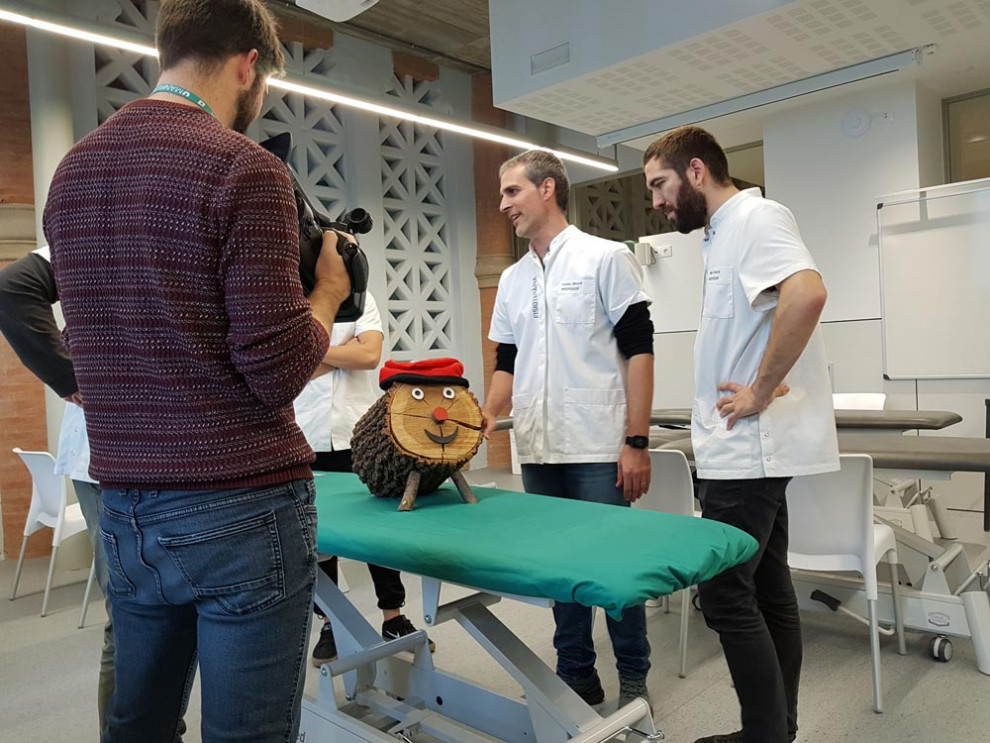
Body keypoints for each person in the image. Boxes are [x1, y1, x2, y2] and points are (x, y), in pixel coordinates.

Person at [42, 1, 352, 741]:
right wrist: (327, 297)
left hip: (125, 509)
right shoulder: (246, 170)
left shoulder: (71, 173)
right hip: (239, 511)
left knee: (139, 725)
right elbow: (276, 371)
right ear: (250, 64)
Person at [642, 125, 840, 743]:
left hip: (749, 450)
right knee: (769, 584)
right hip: (743, 446)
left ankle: (764, 736)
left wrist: (759, 388)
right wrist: (762, 377)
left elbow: (806, 295)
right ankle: (776, 731)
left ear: (696, 171)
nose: (656, 201)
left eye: (660, 184)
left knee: (725, 592)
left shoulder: (755, 218)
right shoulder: (720, 235)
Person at [480, 150, 655, 710]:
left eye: (512, 192)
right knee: (559, 571)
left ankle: (633, 678)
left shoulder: (605, 258)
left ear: (548, 188)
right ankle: (576, 673)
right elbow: (507, 360)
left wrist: (636, 441)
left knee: (612, 569)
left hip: (599, 445)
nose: (503, 203)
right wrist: (486, 412)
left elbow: (639, 352)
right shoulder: (512, 279)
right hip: (538, 445)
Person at [293, 292, 436, 665]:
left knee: (375, 524)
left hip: (356, 432)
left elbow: (369, 356)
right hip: (303, 430)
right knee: (317, 530)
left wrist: (311, 353)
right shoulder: (286, 293)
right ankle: (330, 622)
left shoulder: (357, 297)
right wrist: (342, 351)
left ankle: (393, 615)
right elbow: (283, 365)